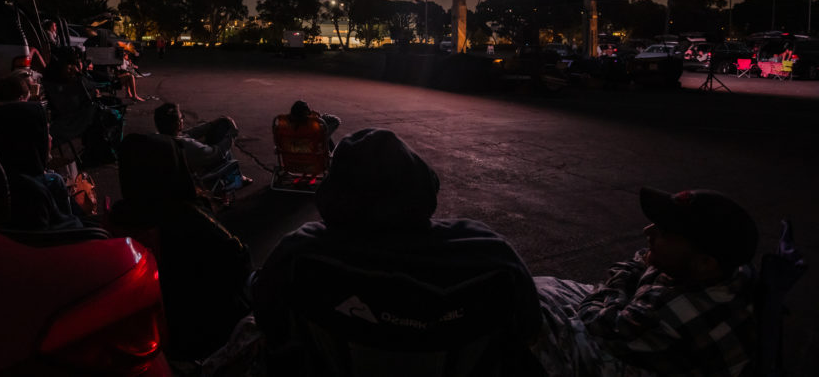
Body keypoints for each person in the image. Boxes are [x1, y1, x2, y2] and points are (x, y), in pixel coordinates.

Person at [252, 128, 543, 374]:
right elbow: (529, 328)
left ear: (333, 198)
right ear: (423, 187)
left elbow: (269, 320)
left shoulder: (300, 252)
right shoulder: (490, 253)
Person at [532, 187, 758, 377]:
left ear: (705, 263)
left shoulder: (668, 310)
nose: (648, 230)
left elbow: (596, 324)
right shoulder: (727, 268)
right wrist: (639, 269)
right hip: (638, 325)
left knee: (535, 327)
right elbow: (640, 260)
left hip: (630, 347)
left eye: (664, 231)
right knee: (539, 289)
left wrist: (618, 283)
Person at [108, 133, 252, 362]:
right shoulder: (188, 218)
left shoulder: (118, 217)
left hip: (155, 332)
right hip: (206, 330)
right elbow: (239, 260)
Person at [0, 101, 85, 231]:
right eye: (45, 133)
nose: (50, 138)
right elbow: (70, 233)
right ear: (30, 141)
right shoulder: (43, 187)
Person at [154, 102, 250, 185]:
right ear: (179, 124)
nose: (183, 118)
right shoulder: (187, 145)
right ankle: (236, 178)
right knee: (224, 146)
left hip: (173, 176)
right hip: (196, 176)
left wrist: (211, 124)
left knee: (214, 132)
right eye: (181, 117)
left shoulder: (160, 137)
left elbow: (188, 133)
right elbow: (217, 153)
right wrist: (232, 134)